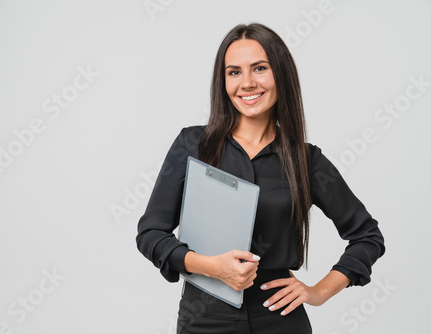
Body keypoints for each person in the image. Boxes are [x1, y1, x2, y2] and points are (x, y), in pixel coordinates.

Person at [136, 23, 385, 333]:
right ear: (223, 81)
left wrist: (318, 292)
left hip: (280, 321)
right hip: (203, 322)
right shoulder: (193, 146)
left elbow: (367, 237)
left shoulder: (306, 161)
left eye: (260, 68)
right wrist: (212, 267)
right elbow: (150, 233)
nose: (247, 83)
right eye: (234, 72)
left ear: (281, 75)